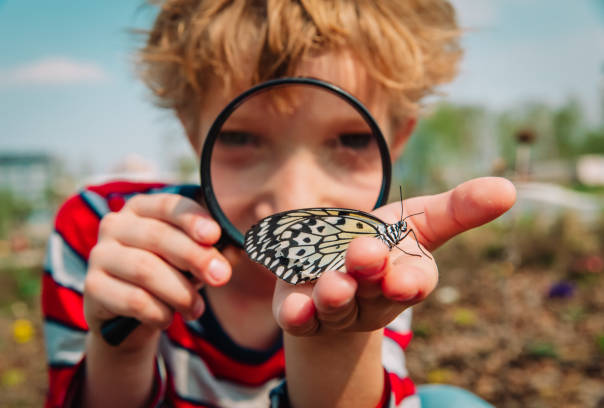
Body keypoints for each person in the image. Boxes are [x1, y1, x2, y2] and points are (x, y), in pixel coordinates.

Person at [42, 1, 516, 407]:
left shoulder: (376, 258)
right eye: (240, 137)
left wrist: (337, 342)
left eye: (350, 140)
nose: (294, 197)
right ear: (194, 135)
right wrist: (119, 350)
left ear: (397, 141)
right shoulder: (105, 228)